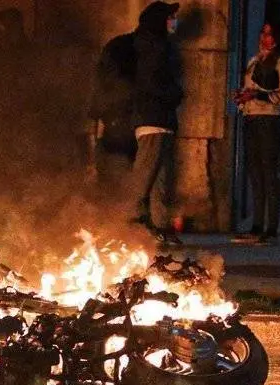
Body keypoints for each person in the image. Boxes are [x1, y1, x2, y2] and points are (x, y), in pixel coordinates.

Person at [233, 19, 280, 244]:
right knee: (254, 173)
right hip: (251, 118)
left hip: (269, 121)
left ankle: (271, 229)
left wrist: (259, 96)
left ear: (278, 38)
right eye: (263, 32)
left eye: (270, 34)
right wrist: (241, 98)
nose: (264, 38)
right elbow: (250, 89)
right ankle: (256, 225)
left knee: (269, 174)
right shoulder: (254, 60)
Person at [129, 1, 184, 245]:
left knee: (161, 179)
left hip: (160, 120)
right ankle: (130, 227)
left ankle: (160, 228)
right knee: (144, 178)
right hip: (153, 119)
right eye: (171, 17)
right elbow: (151, 83)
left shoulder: (157, 45)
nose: (174, 21)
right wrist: (174, 94)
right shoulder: (153, 47)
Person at [0, 7, 38, 196]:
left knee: (21, 177)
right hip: (1, 125)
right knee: (0, 176)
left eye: (5, 29)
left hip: (24, 125)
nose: (0, 35)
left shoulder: (31, 55)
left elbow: (32, 91)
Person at [86, 30, 139, 202]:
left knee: (113, 189)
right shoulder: (116, 82)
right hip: (121, 139)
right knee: (120, 187)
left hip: (117, 138)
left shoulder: (106, 80)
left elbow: (96, 115)